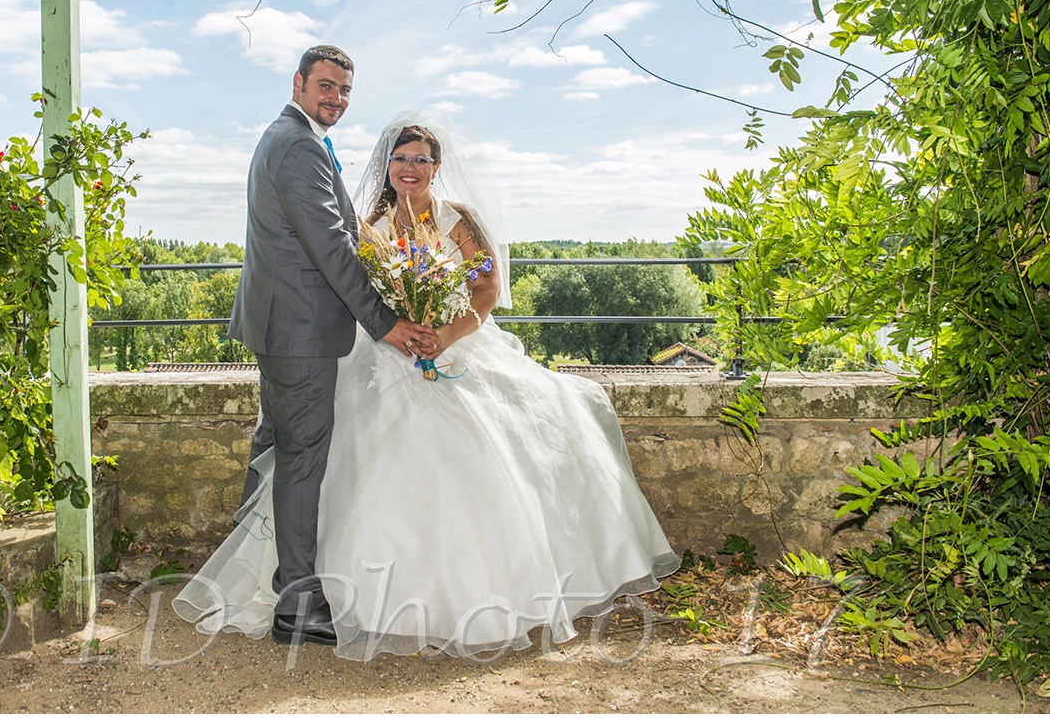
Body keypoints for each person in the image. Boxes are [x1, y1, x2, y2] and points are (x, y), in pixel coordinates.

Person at [182, 112, 680, 660]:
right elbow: (350, 284)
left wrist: (445, 334)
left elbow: (487, 286)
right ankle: (326, 590)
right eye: (401, 158)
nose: (410, 168)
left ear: (437, 167)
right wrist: (399, 330)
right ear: (387, 166)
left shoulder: (457, 219)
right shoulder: (368, 221)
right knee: (328, 450)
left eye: (421, 159)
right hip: (384, 352)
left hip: (454, 345)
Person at [225, 46, 438, 648]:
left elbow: (344, 233)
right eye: (325, 86)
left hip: (286, 324)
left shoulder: (295, 137)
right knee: (301, 457)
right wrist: (384, 321)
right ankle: (296, 603)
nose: (335, 98)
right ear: (298, 82)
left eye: (344, 90)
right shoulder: (297, 145)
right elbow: (331, 248)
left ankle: (249, 564)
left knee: (277, 445)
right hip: (299, 329)